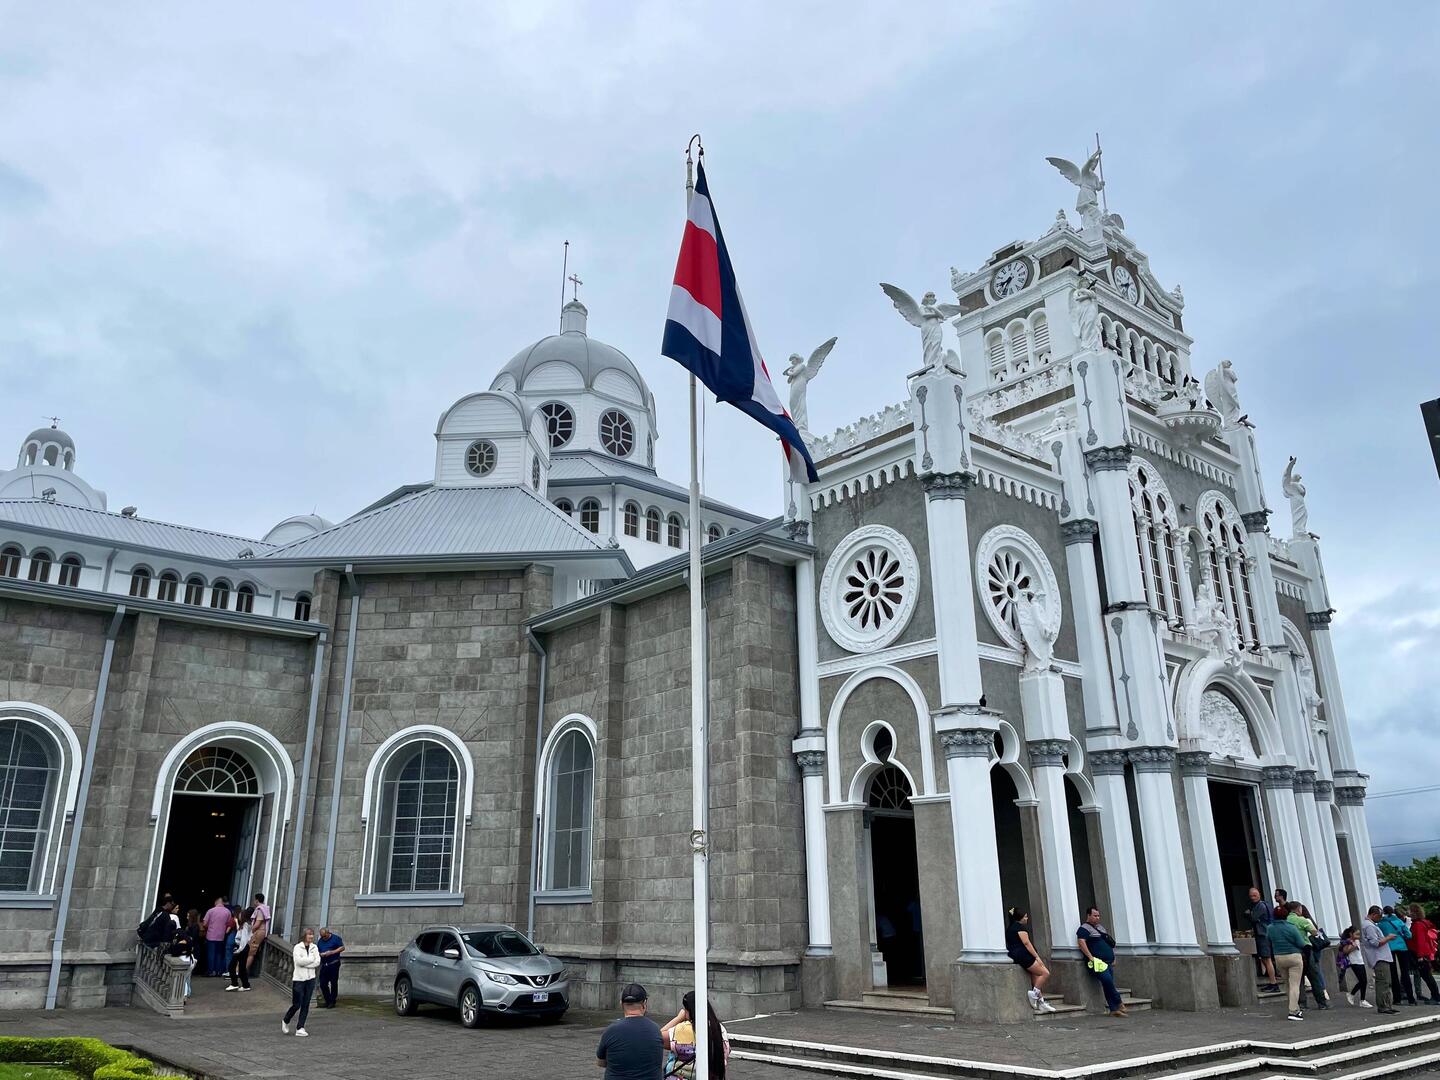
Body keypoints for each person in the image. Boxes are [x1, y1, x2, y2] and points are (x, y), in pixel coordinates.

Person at [596, 982, 663, 1080]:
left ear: (621, 1004)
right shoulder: (655, 1030)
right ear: (644, 1004)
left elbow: (600, 1062)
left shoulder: (610, 1031)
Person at [659, 990, 729, 1080]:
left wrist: (678, 1018)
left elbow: (657, 1038)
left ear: (689, 1010)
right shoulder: (720, 1029)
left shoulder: (683, 1029)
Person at [1005, 908, 1057, 1014]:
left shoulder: (1010, 928)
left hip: (1017, 955)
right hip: (1024, 955)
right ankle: (1033, 994)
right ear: (1020, 918)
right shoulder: (1019, 928)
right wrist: (1037, 957)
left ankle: (1041, 1002)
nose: (1027, 918)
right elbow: (1027, 943)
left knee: (1036, 977)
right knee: (1045, 973)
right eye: (1025, 916)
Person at [1076, 906, 1125, 1017]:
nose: (1097, 918)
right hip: (1098, 962)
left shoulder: (1101, 928)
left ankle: (1113, 1009)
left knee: (1108, 984)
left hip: (1108, 961)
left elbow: (1109, 943)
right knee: (1107, 980)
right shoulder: (1084, 929)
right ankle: (1119, 1002)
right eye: (1095, 915)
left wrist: (1113, 957)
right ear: (1088, 915)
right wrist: (1090, 957)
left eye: (1098, 915)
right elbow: (1081, 943)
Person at [1284, 901, 1330, 1010]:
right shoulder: (1302, 920)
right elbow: (1314, 932)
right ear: (1298, 909)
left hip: (1292, 951)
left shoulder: (1286, 921)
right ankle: (1322, 1003)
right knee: (1314, 977)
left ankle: (1302, 1004)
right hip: (1306, 951)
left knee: (1298, 979)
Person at [281, 928, 320, 1037]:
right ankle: (286, 1020)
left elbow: (317, 962)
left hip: (310, 979)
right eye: (309, 934)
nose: (311, 936)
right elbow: (298, 962)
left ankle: (300, 1027)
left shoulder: (314, 947)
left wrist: (307, 962)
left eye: (312, 934)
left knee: (306, 1004)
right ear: (304, 936)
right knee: (297, 1004)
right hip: (299, 979)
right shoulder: (298, 947)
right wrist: (310, 959)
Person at [1268, 911, 1307, 1021]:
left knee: (1287, 984)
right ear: (1286, 916)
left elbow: (1268, 939)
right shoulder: (1291, 927)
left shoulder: (1270, 928)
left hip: (1279, 957)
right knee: (1295, 984)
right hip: (1294, 956)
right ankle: (1293, 1011)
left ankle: (1296, 1008)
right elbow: (1300, 943)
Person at [1362, 905, 1399, 1015]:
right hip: (1379, 957)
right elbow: (1375, 943)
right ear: (1373, 915)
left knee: (1387, 982)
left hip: (1382, 956)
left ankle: (1387, 1005)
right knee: (1383, 982)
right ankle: (1383, 1006)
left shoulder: (1372, 925)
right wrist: (1388, 937)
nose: (1380, 918)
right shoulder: (1369, 926)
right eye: (1379, 916)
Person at [1246, 887, 1281, 992]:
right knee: (1265, 959)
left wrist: (1248, 914)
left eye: (1254, 895)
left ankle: (1273, 983)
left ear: (1259, 895)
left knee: (1267, 959)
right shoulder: (1265, 905)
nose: (1252, 898)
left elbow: (1253, 918)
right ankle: (1272, 981)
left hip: (1263, 934)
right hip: (1265, 933)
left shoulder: (1260, 906)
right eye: (1251, 896)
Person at [1379, 906, 1416, 1005]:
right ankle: (1411, 999)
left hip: (1389, 949)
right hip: (1402, 948)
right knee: (1405, 973)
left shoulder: (1381, 924)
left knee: (1393, 974)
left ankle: (1397, 999)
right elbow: (1409, 935)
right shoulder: (1399, 922)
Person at [1407, 904, 1439, 1004]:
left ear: (1413, 912)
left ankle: (1436, 996)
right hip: (1424, 953)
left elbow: (1420, 941)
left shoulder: (1417, 925)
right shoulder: (1422, 923)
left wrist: (1420, 956)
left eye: (1409, 910)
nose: (1407, 912)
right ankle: (1436, 996)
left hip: (1420, 954)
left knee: (1427, 976)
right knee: (1427, 975)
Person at [1337, 927, 1372, 1008]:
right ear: (1351, 934)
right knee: (1362, 981)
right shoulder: (1347, 941)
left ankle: (1356, 997)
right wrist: (1353, 946)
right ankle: (1360, 999)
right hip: (1354, 962)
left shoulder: (1356, 941)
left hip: (1360, 961)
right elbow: (1345, 951)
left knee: (1364, 981)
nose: (1358, 936)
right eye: (1356, 934)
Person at [316, 928, 346, 1008]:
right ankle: (327, 1000)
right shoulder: (320, 941)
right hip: (324, 964)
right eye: (322, 937)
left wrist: (331, 952)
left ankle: (332, 1001)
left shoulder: (336, 938)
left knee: (333, 982)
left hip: (334, 963)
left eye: (325, 936)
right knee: (323, 983)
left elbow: (342, 948)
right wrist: (320, 954)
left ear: (328, 933)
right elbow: (317, 950)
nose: (324, 938)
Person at [225, 907, 253, 992]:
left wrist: (239, 950)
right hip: (242, 947)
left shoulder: (245, 925)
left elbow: (243, 940)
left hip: (241, 947)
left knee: (232, 966)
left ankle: (235, 983)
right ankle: (245, 984)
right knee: (241, 967)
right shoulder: (246, 925)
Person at [202, 896, 230, 979]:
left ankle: (211, 971)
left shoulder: (211, 911)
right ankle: (218, 971)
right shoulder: (227, 912)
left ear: (216, 902)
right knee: (219, 954)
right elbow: (228, 924)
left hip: (211, 935)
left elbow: (204, 924)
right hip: (221, 936)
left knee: (211, 954)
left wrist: (209, 927)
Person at [248, 892, 270, 975]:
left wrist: (250, 931)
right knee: (251, 951)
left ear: (257, 900)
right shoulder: (265, 908)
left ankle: (242, 971)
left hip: (259, 931)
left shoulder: (260, 909)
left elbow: (257, 924)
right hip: (261, 931)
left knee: (250, 951)